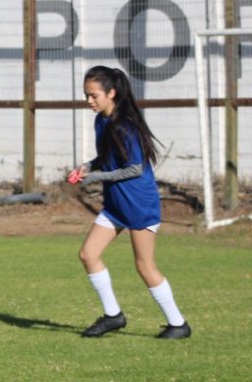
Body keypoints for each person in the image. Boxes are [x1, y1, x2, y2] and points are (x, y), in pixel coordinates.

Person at [69, 65, 190, 339]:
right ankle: (113, 316)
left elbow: (134, 168)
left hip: (138, 206)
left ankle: (178, 324)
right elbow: (108, 158)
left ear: (111, 93)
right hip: (115, 205)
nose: (89, 101)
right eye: (86, 95)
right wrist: (87, 167)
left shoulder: (126, 126)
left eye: (94, 95)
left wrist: (97, 176)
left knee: (145, 267)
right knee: (88, 254)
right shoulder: (101, 120)